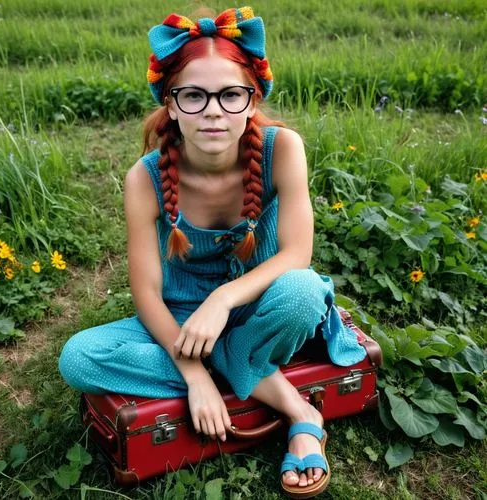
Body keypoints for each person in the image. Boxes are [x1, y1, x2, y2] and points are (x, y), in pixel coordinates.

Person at [58, 6, 366, 498]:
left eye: (230, 94)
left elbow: (296, 255)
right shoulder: (145, 178)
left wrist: (221, 301)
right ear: (171, 104)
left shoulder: (283, 148)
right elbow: (148, 295)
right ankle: (298, 409)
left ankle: (241, 363)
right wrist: (194, 374)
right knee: (79, 358)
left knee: (304, 293)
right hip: (182, 325)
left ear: (252, 98)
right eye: (194, 96)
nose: (214, 111)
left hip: (255, 306)